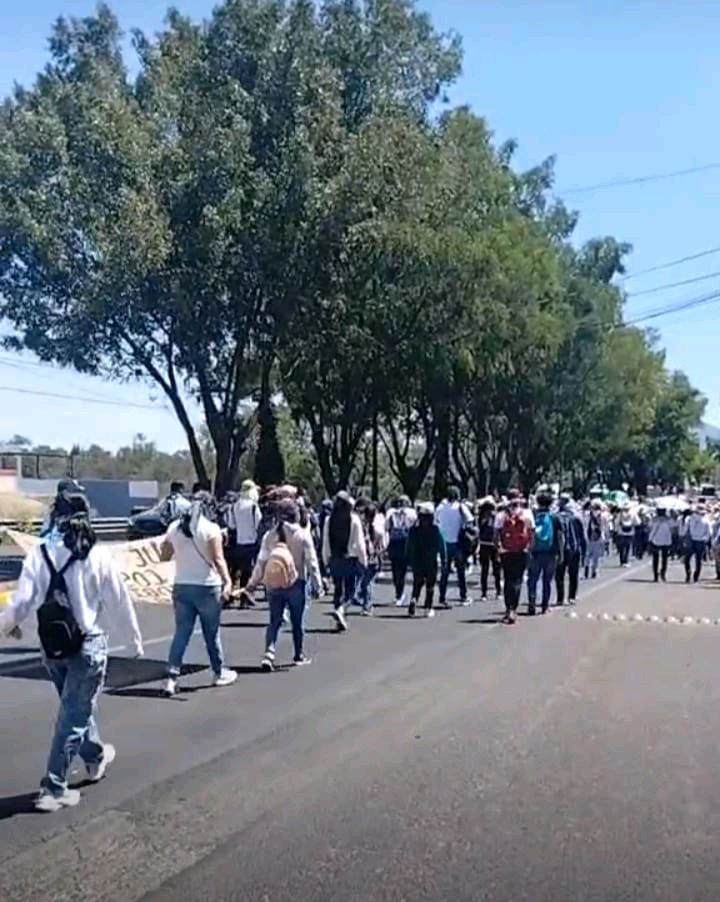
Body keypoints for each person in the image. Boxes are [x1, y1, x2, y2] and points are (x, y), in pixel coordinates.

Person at [0, 493, 143, 812]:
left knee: (76, 708)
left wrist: (6, 626)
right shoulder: (98, 555)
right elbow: (119, 602)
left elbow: (22, 601)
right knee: (73, 715)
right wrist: (133, 643)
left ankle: (94, 757)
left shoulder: (39, 553)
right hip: (87, 646)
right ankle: (53, 788)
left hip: (52, 647)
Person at [160, 492, 236, 696]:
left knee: (181, 633)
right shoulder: (211, 529)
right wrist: (228, 581)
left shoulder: (174, 528)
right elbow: (218, 560)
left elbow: (164, 555)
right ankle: (218, 672)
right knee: (211, 634)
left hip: (182, 586)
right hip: (207, 586)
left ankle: (171, 678)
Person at [245, 500, 321, 671]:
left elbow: (261, 563)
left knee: (274, 620)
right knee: (297, 621)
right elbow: (312, 562)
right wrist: (318, 584)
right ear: (296, 515)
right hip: (297, 583)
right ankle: (298, 655)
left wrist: (252, 584)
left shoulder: (269, 536)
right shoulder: (302, 535)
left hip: (273, 584)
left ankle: (269, 653)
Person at [322, 492, 367, 631]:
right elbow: (359, 542)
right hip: (350, 559)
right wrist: (363, 560)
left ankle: (338, 613)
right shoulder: (354, 519)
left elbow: (326, 540)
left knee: (337, 589)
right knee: (351, 592)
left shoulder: (329, 520)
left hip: (335, 558)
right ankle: (341, 610)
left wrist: (325, 558)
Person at [435, 487, 474, 608]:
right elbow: (470, 520)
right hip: (457, 542)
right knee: (460, 571)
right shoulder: (460, 507)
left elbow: (436, 522)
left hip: (444, 543)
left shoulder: (440, 507)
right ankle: (463, 596)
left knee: (444, 572)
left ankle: (442, 597)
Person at [406, 502, 447, 618]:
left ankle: (413, 601)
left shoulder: (414, 529)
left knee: (417, 584)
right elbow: (442, 545)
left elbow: (409, 545)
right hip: (431, 560)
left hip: (417, 561)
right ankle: (428, 608)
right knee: (430, 585)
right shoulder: (435, 529)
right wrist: (444, 560)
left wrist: (409, 559)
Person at [526, 490, 564, 615]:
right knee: (547, 581)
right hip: (551, 552)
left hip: (534, 552)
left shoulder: (532, 515)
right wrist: (561, 553)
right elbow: (559, 537)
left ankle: (531, 604)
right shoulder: (555, 517)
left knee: (532, 580)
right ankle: (545, 606)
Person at [497, 497, 533, 624]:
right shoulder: (527, 515)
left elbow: (495, 535)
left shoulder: (501, 516)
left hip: (505, 552)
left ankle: (508, 608)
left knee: (508, 580)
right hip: (521, 551)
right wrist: (529, 549)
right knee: (517, 580)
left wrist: (498, 550)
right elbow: (532, 533)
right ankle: (514, 609)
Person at [229, 479, 261, 596]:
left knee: (237, 571)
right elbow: (258, 523)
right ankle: (245, 595)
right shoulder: (253, 506)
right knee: (248, 572)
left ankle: (234, 593)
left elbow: (232, 524)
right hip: (252, 542)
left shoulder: (235, 506)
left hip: (239, 542)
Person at [385, 496, 416, 606]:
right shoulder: (412, 513)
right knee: (409, 569)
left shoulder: (391, 512)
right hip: (408, 542)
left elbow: (387, 527)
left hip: (394, 543)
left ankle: (399, 594)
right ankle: (410, 595)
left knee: (396, 570)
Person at [555, 495, 586, 605]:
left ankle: (560, 598)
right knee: (573, 574)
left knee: (559, 575)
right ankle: (571, 596)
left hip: (560, 549)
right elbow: (582, 537)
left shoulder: (555, 517)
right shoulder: (576, 518)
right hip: (574, 548)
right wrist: (584, 551)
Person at [356, 502, 384, 616]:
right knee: (366, 583)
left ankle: (367, 605)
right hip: (372, 559)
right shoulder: (375, 529)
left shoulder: (363, 528)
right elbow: (381, 546)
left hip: (366, 558)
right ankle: (366, 603)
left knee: (365, 583)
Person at [477, 497, 501, 601]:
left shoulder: (481, 517)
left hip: (485, 544)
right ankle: (497, 591)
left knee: (486, 570)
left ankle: (484, 593)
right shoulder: (492, 517)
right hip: (492, 544)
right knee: (495, 569)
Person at [681, 505, 711, 583]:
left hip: (692, 540)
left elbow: (685, 530)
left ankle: (688, 574)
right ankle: (695, 576)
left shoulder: (690, 519)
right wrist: (705, 539)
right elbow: (709, 532)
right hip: (700, 541)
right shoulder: (706, 520)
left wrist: (684, 537)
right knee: (698, 560)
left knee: (688, 559)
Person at [648, 507, 673, 583]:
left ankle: (656, 575)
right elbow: (673, 527)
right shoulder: (668, 520)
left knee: (655, 559)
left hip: (655, 540)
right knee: (664, 559)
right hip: (666, 541)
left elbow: (650, 527)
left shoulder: (654, 519)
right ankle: (663, 573)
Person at [584, 500, 605, 579]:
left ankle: (593, 571)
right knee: (590, 555)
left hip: (596, 537)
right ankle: (590, 572)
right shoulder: (587, 516)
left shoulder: (601, 516)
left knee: (593, 556)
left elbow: (603, 527)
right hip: (590, 537)